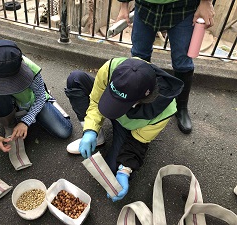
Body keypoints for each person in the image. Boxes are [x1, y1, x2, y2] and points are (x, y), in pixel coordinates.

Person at [65, 57, 184, 201]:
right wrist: (90, 130)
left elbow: (138, 141)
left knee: (112, 174)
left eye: (120, 104)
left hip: (128, 128)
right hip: (116, 107)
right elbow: (96, 101)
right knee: (75, 79)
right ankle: (97, 138)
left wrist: (125, 170)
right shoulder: (113, 67)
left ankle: (118, 163)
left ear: (141, 101)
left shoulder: (165, 111)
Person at [116, 0, 215, 134]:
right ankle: (139, 100)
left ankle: (181, 107)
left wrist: (206, 2)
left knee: (182, 62)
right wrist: (124, 5)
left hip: (183, 7)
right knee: (139, 56)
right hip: (145, 6)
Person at [0, 39, 72, 153]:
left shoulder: (30, 67)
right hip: (0, 104)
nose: (7, 86)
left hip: (29, 102)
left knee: (64, 131)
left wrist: (26, 121)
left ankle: (41, 106)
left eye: (11, 81)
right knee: (0, 97)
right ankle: (10, 122)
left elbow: (40, 96)